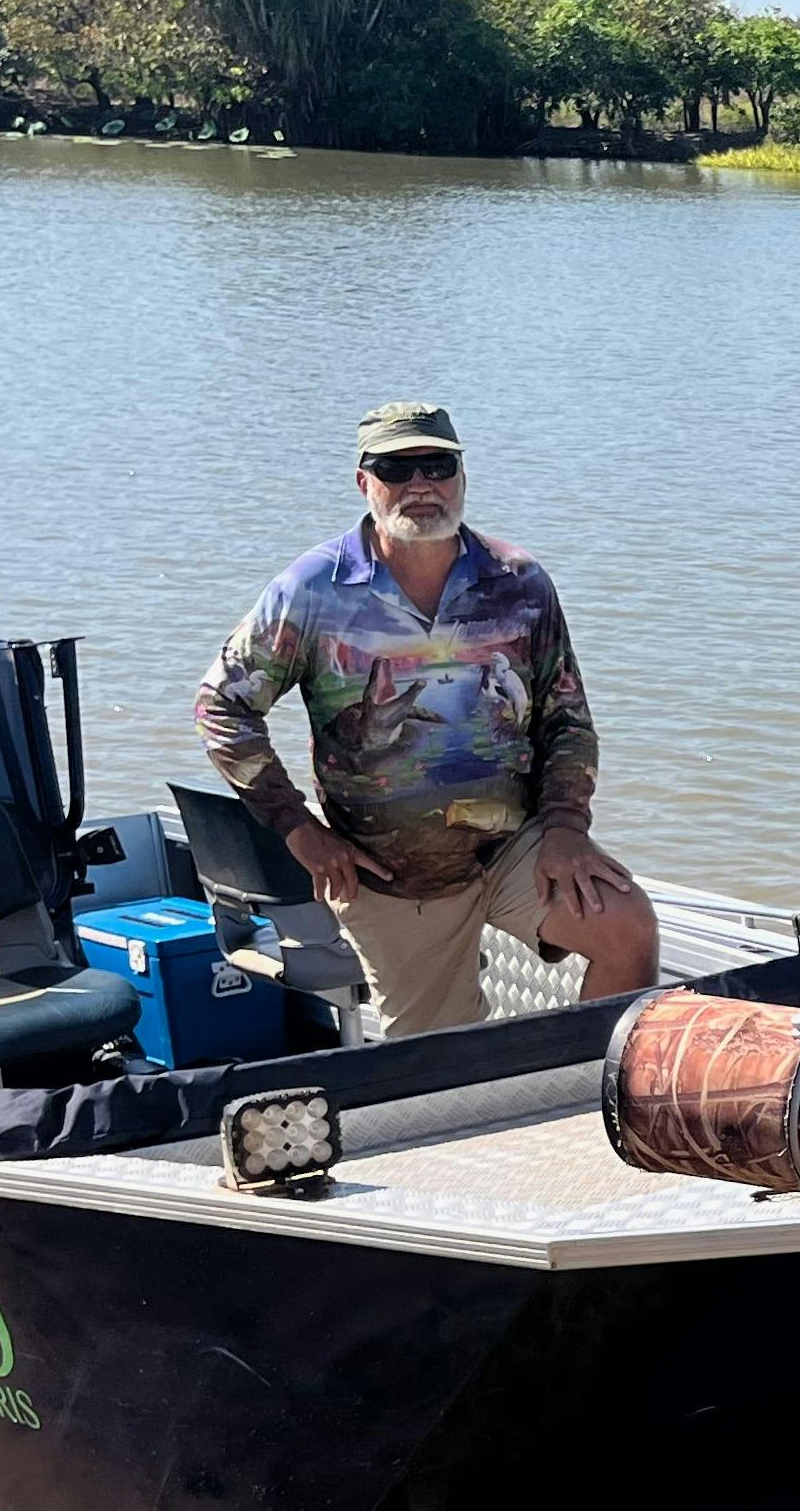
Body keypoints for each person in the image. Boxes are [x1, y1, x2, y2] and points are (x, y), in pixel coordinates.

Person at [197, 404, 657, 1037]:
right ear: (365, 481)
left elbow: (567, 720)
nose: (421, 486)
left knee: (627, 925)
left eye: (438, 466)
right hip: (389, 875)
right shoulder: (311, 591)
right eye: (396, 468)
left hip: (514, 847)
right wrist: (299, 828)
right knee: (438, 1067)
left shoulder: (519, 582)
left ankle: (590, 1100)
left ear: (462, 475)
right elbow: (222, 707)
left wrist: (567, 828)